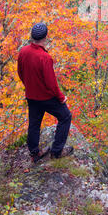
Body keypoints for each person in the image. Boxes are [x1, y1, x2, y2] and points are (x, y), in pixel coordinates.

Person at [17, 23, 73, 164]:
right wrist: (61, 98)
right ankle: (57, 152)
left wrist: (28, 86)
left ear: (32, 36)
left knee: (34, 124)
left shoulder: (23, 51)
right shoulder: (44, 57)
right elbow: (51, 83)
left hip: (31, 96)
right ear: (45, 37)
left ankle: (34, 154)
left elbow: (20, 73)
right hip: (46, 98)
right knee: (66, 116)